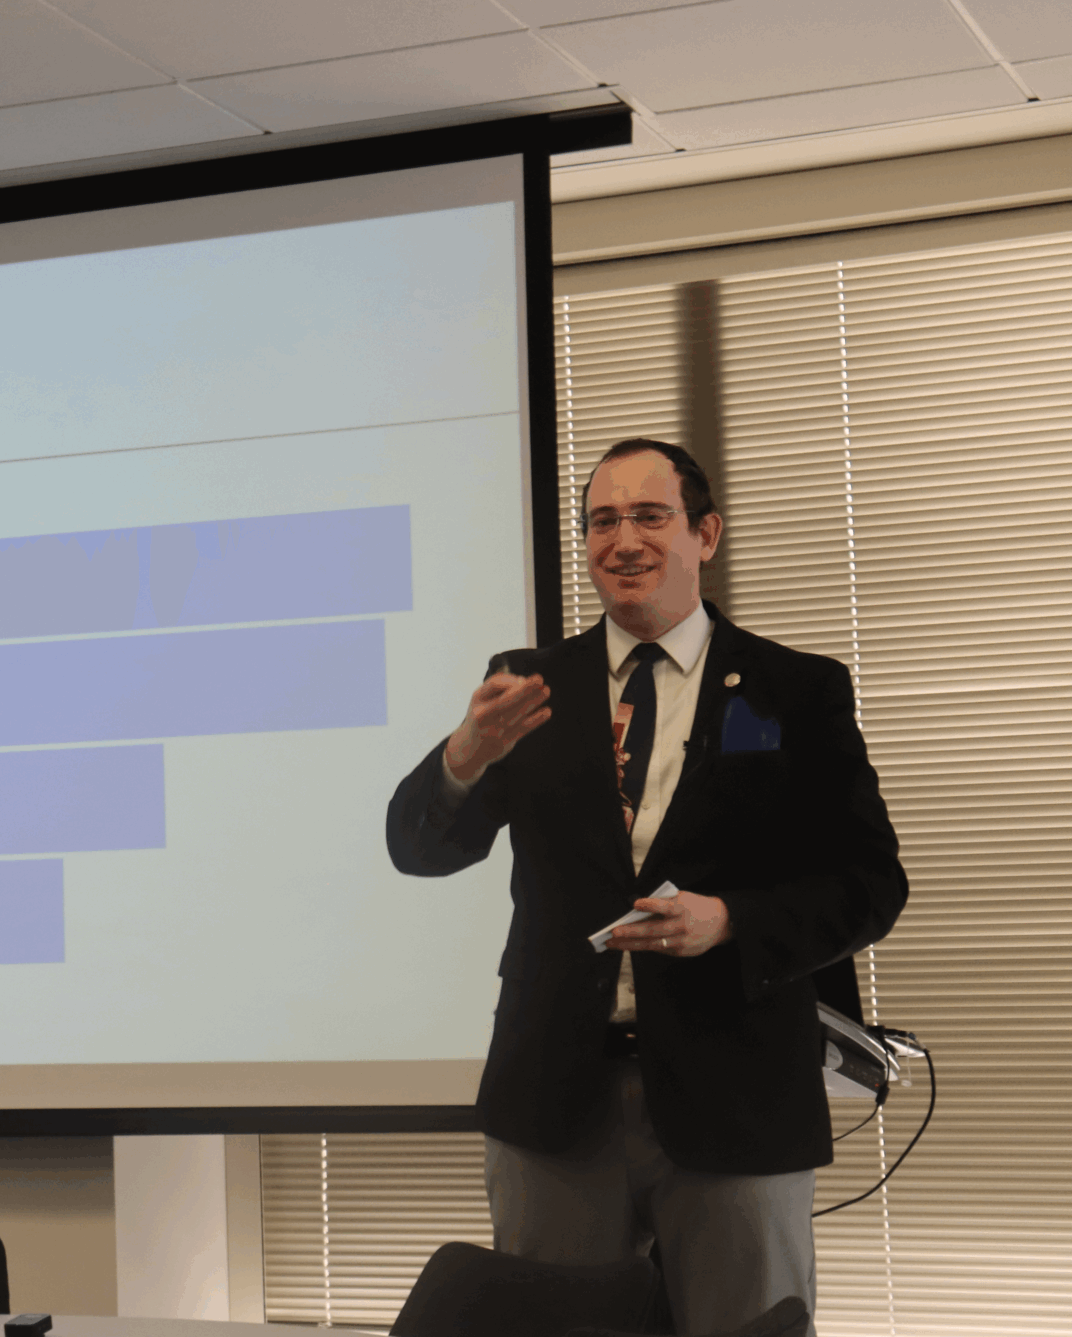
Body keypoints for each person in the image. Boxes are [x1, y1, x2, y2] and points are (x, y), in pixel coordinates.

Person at [386, 439, 906, 1334]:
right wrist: (463, 758)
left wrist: (731, 918)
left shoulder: (797, 688)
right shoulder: (531, 686)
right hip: (556, 1101)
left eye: (650, 516)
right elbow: (419, 849)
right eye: (602, 520)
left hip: (738, 1097)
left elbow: (871, 883)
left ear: (706, 534)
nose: (623, 539)